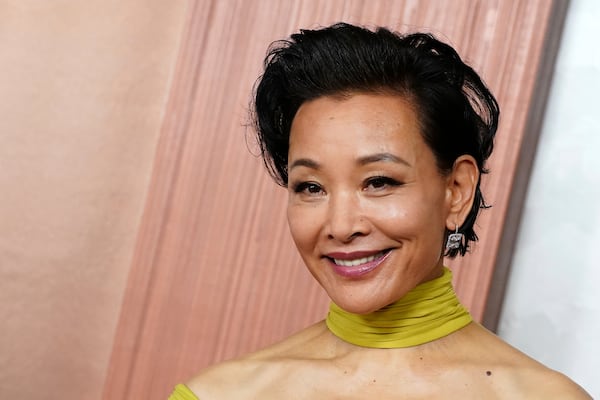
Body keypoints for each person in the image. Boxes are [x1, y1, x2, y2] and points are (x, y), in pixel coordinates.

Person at [169, 22, 591, 399]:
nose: (340, 226)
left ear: (457, 190)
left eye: (379, 182)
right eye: (311, 187)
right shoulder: (218, 394)